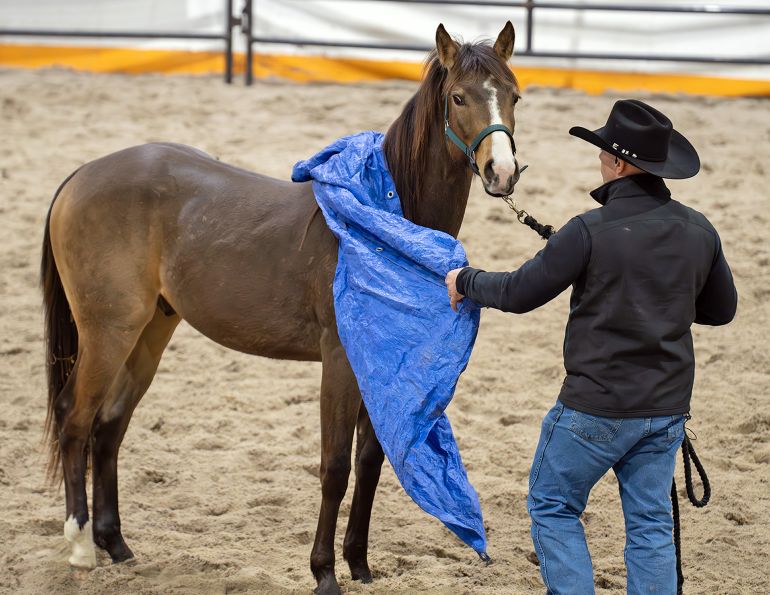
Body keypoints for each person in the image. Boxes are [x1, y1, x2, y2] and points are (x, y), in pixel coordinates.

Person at [445, 99, 737, 594]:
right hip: (664, 411)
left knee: (553, 505)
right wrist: (661, 295)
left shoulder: (588, 231)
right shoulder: (699, 229)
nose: (600, 160)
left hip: (595, 408)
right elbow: (720, 310)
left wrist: (466, 280)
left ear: (619, 164)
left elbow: (518, 293)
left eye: (603, 153)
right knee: (650, 525)